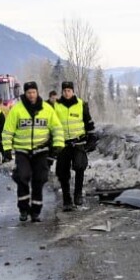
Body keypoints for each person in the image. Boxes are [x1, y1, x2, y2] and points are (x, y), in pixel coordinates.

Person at [1, 81, 64, 222]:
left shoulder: (47, 109)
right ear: (25, 93)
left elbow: (57, 128)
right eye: (29, 92)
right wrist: (6, 148)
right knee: (22, 177)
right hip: (22, 151)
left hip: (41, 150)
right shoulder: (17, 110)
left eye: (33, 92)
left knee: (39, 179)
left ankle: (35, 211)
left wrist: (58, 144)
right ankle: (23, 209)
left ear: (37, 92)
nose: (31, 95)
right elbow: (7, 131)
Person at [53, 80, 96, 211]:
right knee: (63, 172)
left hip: (78, 142)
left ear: (73, 91)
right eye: (64, 91)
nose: (67, 93)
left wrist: (92, 138)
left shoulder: (81, 105)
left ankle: (78, 195)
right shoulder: (56, 106)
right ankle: (67, 199)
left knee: (79, 167)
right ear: (62, 91)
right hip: (63, 144)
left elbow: (89, 123)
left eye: (69, 90)